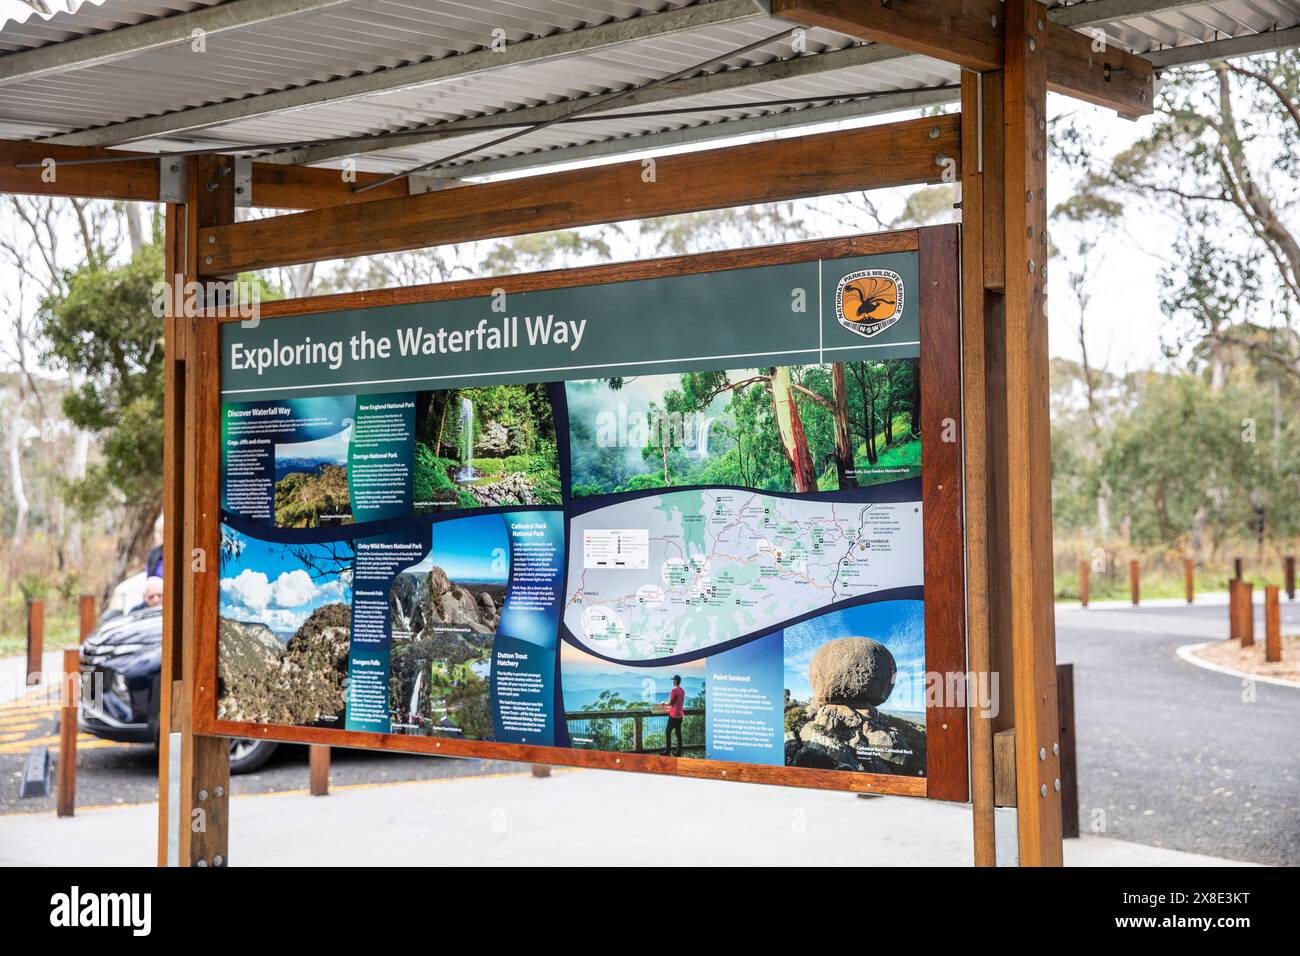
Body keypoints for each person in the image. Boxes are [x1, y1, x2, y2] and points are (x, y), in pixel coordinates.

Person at [662, 674, 685, 757]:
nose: (673, 682)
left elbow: (671, 702)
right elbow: (677, 702)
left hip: (674, 716)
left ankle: (667, 751)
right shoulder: (682, 690)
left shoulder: (674, 690)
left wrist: (664, 703)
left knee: (668, 731)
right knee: (678, 733)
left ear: (675, 681)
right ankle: (679, 752)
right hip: (680, 715)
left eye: (673, 680)